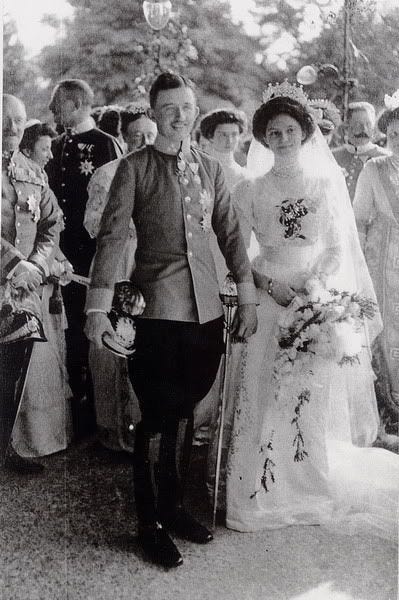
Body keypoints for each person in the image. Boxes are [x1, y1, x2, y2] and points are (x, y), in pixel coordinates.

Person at [84, 72, 257, 568]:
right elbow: (112, 239)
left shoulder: (211, 169)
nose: (179, 116)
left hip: (205, 315)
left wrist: (246, 298)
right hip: (155, 313)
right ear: (154, 113)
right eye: (168, 108)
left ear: (195, 109)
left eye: (186, 107)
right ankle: (149, 524)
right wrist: (98, 309)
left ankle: (174, 506)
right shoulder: (134, 168)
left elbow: (229, 235)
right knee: (156, 416)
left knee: (186, 411)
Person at [223, 82, 398, 541]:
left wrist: (314, 290)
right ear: (263, 138)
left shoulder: (325, 183)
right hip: (267, 296)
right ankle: (259, 490)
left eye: (289, 131)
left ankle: (307, 484)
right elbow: (238, 253)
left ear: (304, 133)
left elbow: (339, 247)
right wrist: (269, 285)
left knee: (309, 394)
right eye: (273, 133)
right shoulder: (250, 190)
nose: (282, 139)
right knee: (263, 389)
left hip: (314, 299)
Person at [46, 79, 122, 438]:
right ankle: (73, 410)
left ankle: (97, 412)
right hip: (60, 253)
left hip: (91, 254)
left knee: (92, 327)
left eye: (57, 104)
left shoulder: (106, 145)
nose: (51, 112)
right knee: (67, 330)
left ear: (76, 104)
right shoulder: (57, 144)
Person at [83, 105, 157, 453]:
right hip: (117, 262)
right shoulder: (106, 173)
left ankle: (145, 427)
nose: (143, 141)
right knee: (111, 344)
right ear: (123, 137)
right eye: (136, 135)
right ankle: (112, 430)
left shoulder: (165, 169)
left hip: (153, 264)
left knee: (149, 342)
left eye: (149, 135)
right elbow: (93, 224)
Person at [1, 95, 59, 473]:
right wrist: (15, 262)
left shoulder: (31, 170)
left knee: (11, 377)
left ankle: (4, 448)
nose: (11, 128)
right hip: (9, 276)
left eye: (18, 121)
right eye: (4, 121)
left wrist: (37, 264)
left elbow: (52, 223)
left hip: (21, 293)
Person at [10, 122, 73, 459]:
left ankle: (41, 439)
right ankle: (20, 442)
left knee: (43, 357)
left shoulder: (39, 179)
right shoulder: (16, 175)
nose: (49, 154)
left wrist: (54, 263)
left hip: (37, 275)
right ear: (28, 146)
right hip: (15, 277)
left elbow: (49, 231)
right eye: (45, 148)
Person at [353, 92, 399, 449]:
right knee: (385, 334)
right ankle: (390, 413)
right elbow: (359, 223)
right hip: (383, 266)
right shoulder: (374, 169)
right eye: (395, 134)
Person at [333, 101, 389, 202]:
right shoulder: (333, 156)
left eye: (368, 124)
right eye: (358, 124)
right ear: (346, 127)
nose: (364, 129)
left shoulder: (385, 158)